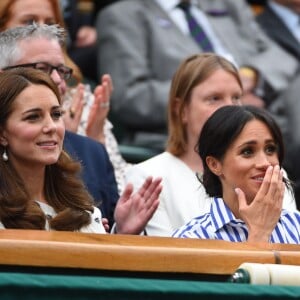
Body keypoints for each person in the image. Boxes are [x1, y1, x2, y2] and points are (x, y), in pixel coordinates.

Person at [125, 54, 296, 237]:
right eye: (214, 98)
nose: (230, 108)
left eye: (237, 97)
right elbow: (164, 260)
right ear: (181, 109)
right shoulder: (148, 177)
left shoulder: (270, 173)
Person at [96, 0, 299, 152]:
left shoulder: (228, 4)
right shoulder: (123, 15)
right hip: (192, 135)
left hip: (270, 108)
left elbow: (281, 56)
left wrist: (250, 74)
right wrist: (215, 94)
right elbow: (130, 98)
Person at [0, 67, 162, 234]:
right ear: (2, 134)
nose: (51, 127)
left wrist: (122, 234)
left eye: (56, 115)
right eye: (33, 117)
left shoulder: (84, 210)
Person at [0, 0, 129, 194]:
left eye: (50, 22)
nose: (56, 80)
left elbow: (112, 205)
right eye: (41, 69)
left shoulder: (84, 107)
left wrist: (83, 146)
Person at [173, 105, 300, 244]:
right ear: (215, 165)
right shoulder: (190, 238)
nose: (265, 163)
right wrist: (259, 234)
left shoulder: (296, 225)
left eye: (270, 149)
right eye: (247, 151)